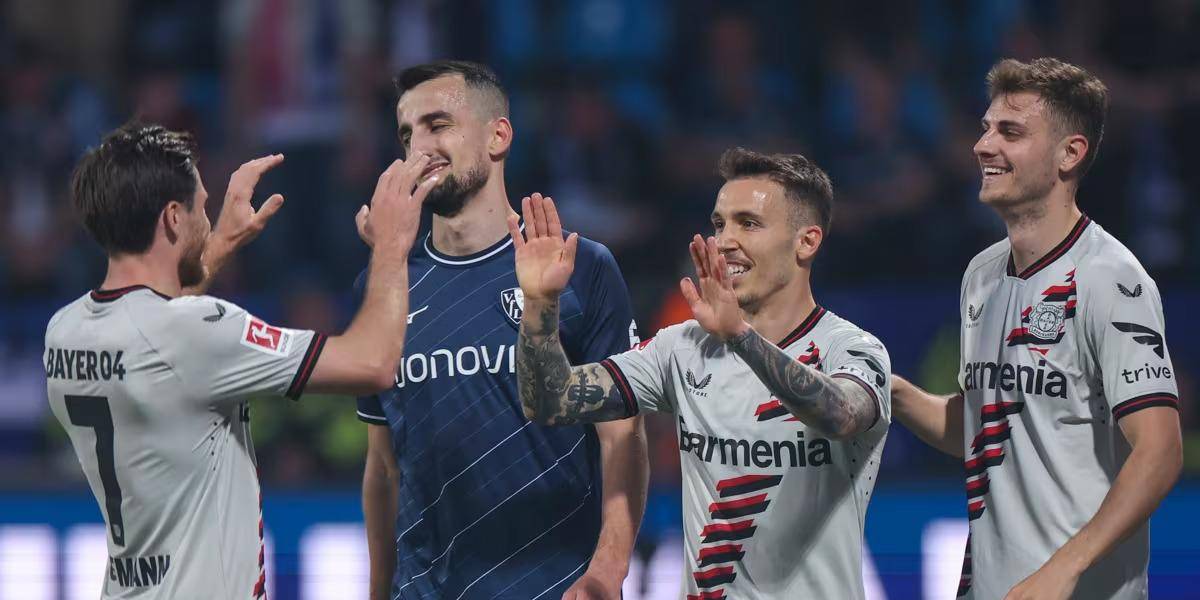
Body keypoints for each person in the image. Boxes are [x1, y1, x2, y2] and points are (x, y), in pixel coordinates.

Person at [46, 122, 435, 598]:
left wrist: (222, 243)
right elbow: (373, 363)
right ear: (173, 217)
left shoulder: (64, 332)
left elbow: (157, 333)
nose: (207, 221)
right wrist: (393, 245)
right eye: (201, 208)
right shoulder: (198, 329)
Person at [510, 148, 892, 599]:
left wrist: (740, 337)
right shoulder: (681, 348)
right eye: (719, 224)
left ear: (806, 242)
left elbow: (841, 415)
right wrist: (540, 303)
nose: (725, 240)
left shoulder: (850, 348)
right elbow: (550, 400)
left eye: (748, 223)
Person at [353, 61, 648, 600]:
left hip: (555, 588)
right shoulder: (382, 284)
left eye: (438, 125)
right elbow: (383, 467)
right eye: (407, 134)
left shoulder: (581, 268)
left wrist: (608, 569)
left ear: (498, 136)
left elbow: (622, 438)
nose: (419, 148)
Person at [891, 58, 1182, 600]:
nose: (983, 145)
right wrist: (892, 392)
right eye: (986, 128)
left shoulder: (1111, 279)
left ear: (1070, 153)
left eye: (1011, 132)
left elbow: (1160, 451)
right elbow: (983, 425)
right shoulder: (981, 274)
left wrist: (1063, 569)